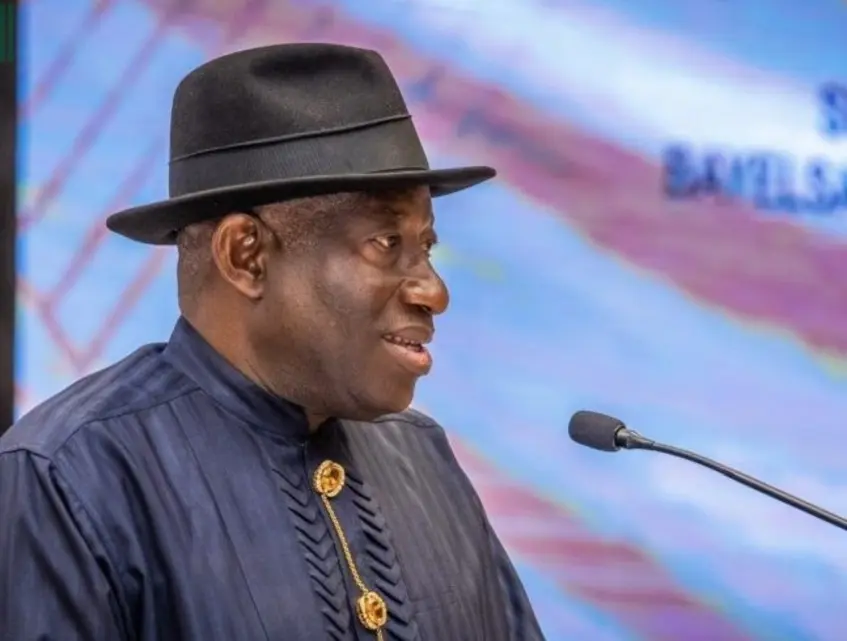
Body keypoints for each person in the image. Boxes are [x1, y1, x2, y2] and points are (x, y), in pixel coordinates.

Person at [0, 43, 544, 641]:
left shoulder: (421, 456)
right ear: (246, 256)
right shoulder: (72, 476)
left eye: (426, 246)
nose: (433, 292)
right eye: (387, 244)